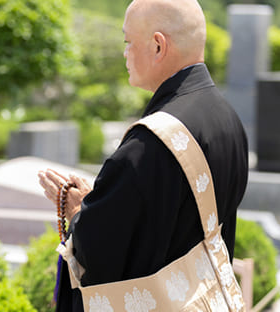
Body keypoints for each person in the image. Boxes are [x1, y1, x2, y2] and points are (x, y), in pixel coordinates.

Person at [37, 0, 249, 311]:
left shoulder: (147, 146)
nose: (124, 53)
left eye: (127, 41)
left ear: (158, 46)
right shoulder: (227, 118)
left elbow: (103, 254)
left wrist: (81, 213)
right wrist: (105, 203)